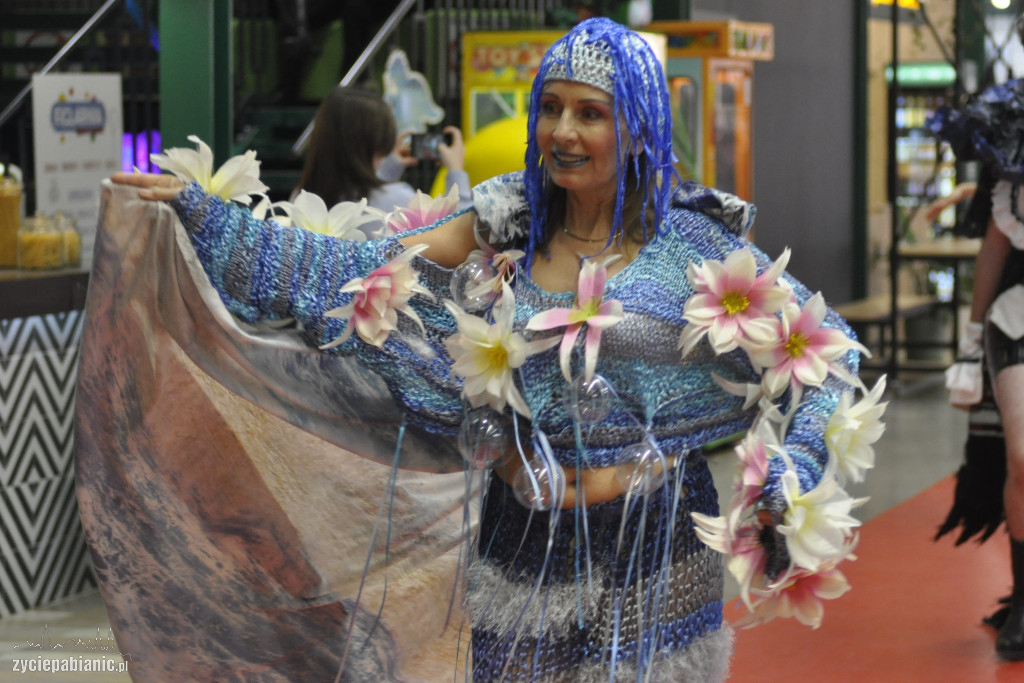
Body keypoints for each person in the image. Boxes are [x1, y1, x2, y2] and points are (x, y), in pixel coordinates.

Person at [114, 18, 868, 681]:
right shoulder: (507, 222)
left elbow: (827, 359)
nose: (562, 132)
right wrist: (208, 220)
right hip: (522, 541)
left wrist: (791, 474)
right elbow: (364, 275)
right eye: (550, 107)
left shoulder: (700, 250)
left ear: (638, 127)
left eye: (590, 114)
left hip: (658, 551)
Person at [928, 78, 1024, 661]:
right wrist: (969, 337)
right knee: (1023, 458)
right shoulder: (1010, 125)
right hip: (1017, 315)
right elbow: (994, 243)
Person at [294, 85, 471, 217]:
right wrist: (456, 172)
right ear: (380, 141)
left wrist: (389, 168)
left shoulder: (300, 198)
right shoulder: (399, 199)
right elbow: (456, 236)